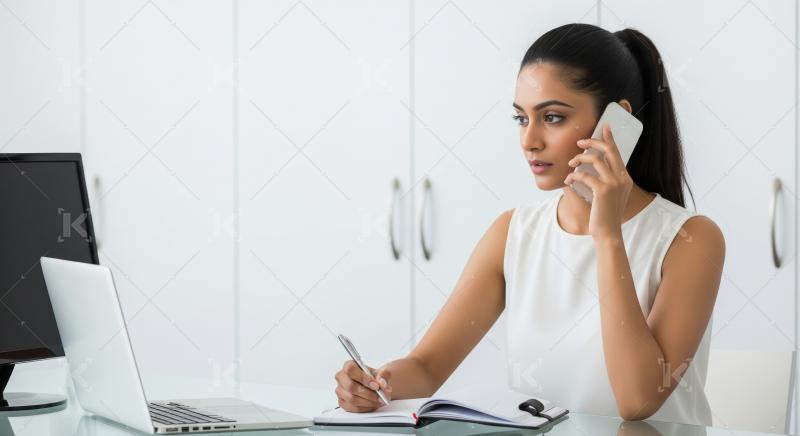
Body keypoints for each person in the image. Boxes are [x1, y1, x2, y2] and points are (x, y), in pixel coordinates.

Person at [333, 23, 724, 426]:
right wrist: (377, 385)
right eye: (521, 118)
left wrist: (606, 234)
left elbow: (638, 401)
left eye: (552, 117)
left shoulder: (691, 240)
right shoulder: (513, 232)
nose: (529, 140)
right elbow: (428, 367)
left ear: (615, 123)